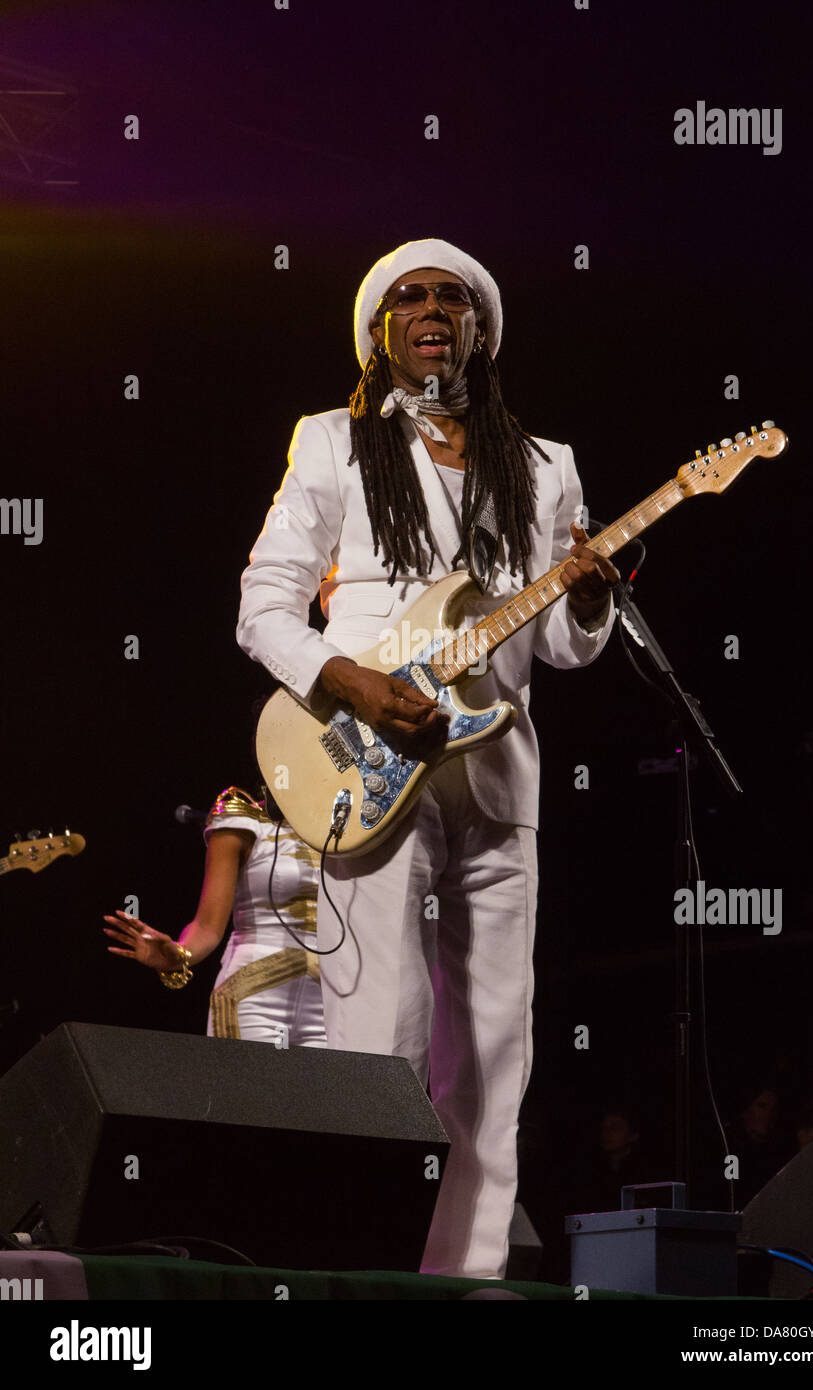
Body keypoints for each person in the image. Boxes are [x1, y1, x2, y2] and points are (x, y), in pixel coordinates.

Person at [236, 238, 618, 1277]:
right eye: (407, 296)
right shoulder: (331, 443)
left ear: (480, 328)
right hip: (366, 759)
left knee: (497, 1049)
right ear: (378, 333)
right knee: (383, 1029)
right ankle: (364, 1266)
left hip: (497, 771)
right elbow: (262, 608)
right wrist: (353, 680)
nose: (432, 307)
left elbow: (561, 648)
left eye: (452, 295)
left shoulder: (543, 467)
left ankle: (466, 1276)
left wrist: (586, 598)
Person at [103, 785, 326, 1046]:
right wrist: (179, 955)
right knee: (253, 1087)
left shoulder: (348, 830)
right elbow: (208, 927)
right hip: (254, 997)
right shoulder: (244, 820)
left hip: (328, 1001)